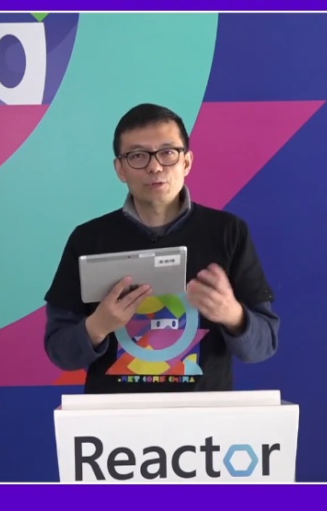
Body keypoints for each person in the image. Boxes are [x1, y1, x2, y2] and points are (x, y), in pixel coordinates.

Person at [43, 103, 281, 394]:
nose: (155, 167)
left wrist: (233, 315)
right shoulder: (87, 239)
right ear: (120, 169)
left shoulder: (229, 233)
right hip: (114, 418)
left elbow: (264, 346)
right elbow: (60, 351)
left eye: (168, 153)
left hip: (204, 418)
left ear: (187, 162)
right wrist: (99, 325)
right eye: (137, 156)